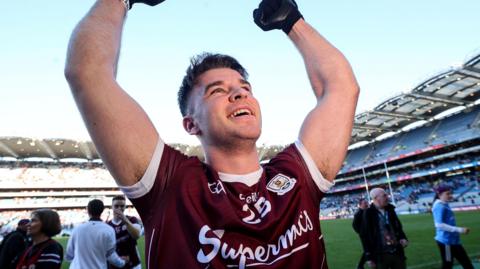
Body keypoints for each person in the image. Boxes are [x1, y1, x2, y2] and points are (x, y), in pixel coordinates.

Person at [64, 0, 359, 267]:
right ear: (191, 125)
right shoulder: (170, 184)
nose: (239, 94)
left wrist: (292, 21)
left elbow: (342, 89)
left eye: (245, 88)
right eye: (218, 90)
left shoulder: (297, 178)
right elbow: (87, 73)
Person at [66, 199, 128, 269]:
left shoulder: (77, 229)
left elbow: (69, 255)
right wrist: (122, 262)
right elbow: (111, 255)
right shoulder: (108, 230)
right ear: (102, 210)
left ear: (87, 210)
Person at [361, 188, 408, 269]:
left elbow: (398, 227)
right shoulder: (368, 214)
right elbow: (365, 236)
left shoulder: (390, 209)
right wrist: (369, 257)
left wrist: (402, 237)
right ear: (376, 198)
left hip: (396, 252)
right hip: (380, 255)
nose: (388, 197)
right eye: (384, 196)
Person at [432, 185, 474, 269]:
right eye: (447, 194)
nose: (450, 195)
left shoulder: (444, 204)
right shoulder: (439, 206)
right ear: (440, 195)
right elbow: (439, 225)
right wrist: (460, 230)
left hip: (453, 240)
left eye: (451, 193)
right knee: (448, 264)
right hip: (446, 241)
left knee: (466, 262)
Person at [107, 195, 142, 269]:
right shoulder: (107, 225)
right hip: (115, 265)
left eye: (122, 206)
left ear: (125, 207)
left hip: (133, 264)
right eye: (116, 206)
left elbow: (136, 235)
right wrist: (118, 258)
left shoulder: (132, 219)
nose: (119, 208)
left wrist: (125, 220)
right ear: (112, 207)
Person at [352, 198, 368, 269]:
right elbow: (354, 225)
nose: (367, 204)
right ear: (361, 205)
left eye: (366, 203)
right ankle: (360, 265)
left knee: (369, 249)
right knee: (367, 250)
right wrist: (360, 232)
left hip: (370, 234)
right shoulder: (358, 213)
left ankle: (360, 265)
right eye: (365, 203)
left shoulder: (367, 211)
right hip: (364, 235)